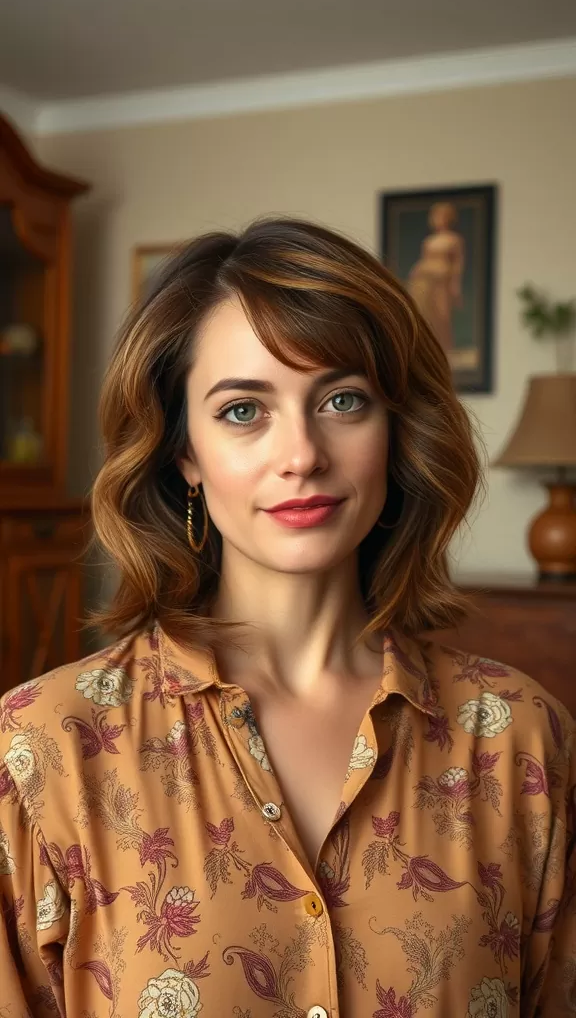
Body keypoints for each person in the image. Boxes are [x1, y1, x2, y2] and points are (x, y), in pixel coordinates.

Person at [0, 218, 573, 1018]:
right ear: (184, 454)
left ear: (395, 431)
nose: (302, 453)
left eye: (342, 400)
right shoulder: (42, 750)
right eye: (243, 411)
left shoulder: (521, 741)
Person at [408, 201, 465, 356]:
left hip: (442, 281)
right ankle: (428, 350)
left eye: (442, 216)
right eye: (436, 216)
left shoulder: (454, 240)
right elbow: (423, 260)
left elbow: (458, 264)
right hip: (425, 280)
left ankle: (444, 349)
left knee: (442, 314)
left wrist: (455, 284)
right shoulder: (428, 241)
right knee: (426, 313)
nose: (438, 220)